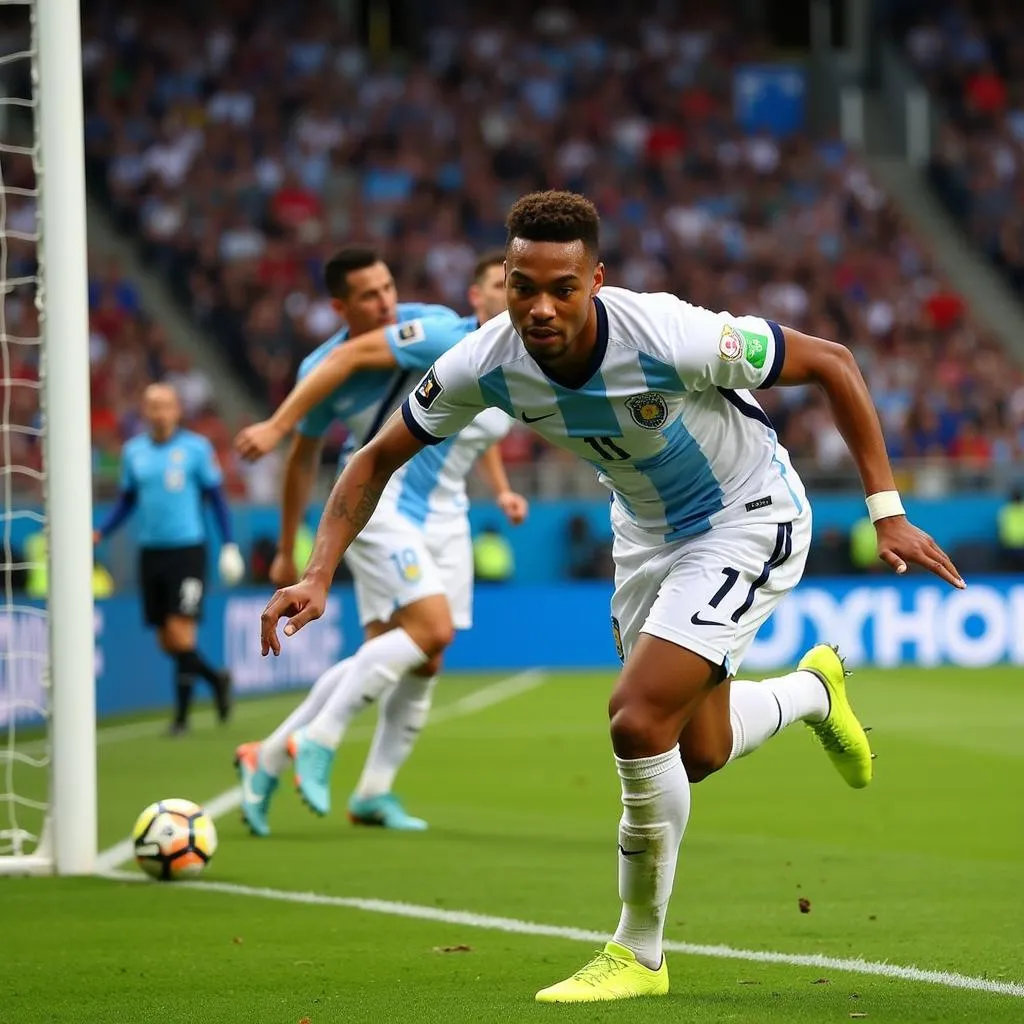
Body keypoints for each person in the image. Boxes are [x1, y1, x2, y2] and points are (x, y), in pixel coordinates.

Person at [258, 191, 966, 1003]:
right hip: (645, 538)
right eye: (524, 286)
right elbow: (372, 460)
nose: (542, 307)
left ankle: (639, 953)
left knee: (636, 719)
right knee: (694, 751)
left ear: (596, 278)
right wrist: (317, 573)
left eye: (563, 287)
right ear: (504, 280)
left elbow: (832, 361)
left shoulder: (668, 333)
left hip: (746, 515)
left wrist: (888, 512)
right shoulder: (485, 361)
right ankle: (813, 691)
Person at [233, 251, 528, 835]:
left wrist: (501, 489)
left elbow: (474, 415)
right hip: (381, 500)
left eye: (390, 287)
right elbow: (305, 454)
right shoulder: (427, 335)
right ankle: (316, 740)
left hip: (446, 513)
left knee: (415, 654)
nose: (387, 303)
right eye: (370, 295)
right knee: (429, 630)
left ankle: (305, 768)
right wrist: (278, 434)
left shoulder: (505, 351)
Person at [95, 383, 244, 735]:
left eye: (164, 405)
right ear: (144, 412)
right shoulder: (134, 453)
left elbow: (217, 498)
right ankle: (217, 678)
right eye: (151, 406)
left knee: (181, 633)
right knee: (167, 640)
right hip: (151, 551)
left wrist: (229, 544)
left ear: (177, 410)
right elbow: (128, 499)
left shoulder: (195, 449)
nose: (158, 412)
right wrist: (103, 530)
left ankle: (181, 719)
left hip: (187, 550)